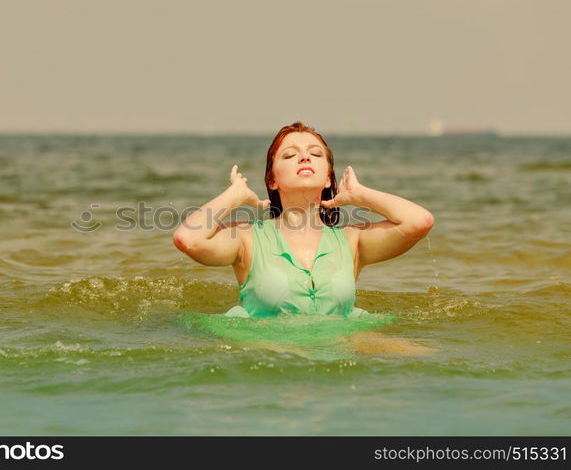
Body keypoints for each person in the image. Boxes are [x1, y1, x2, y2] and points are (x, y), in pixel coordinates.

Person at [172, 121, 435, 355]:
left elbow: (419, 222)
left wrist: (360, 194)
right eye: (290, 155)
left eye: (315, 154)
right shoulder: (247, 238)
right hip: (267, 350)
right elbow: (188, 239)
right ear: (272, 180)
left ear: (328, 177)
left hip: (342, 344)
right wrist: (236, 195)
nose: (305, 158)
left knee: (428, 356)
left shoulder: (352, 239)